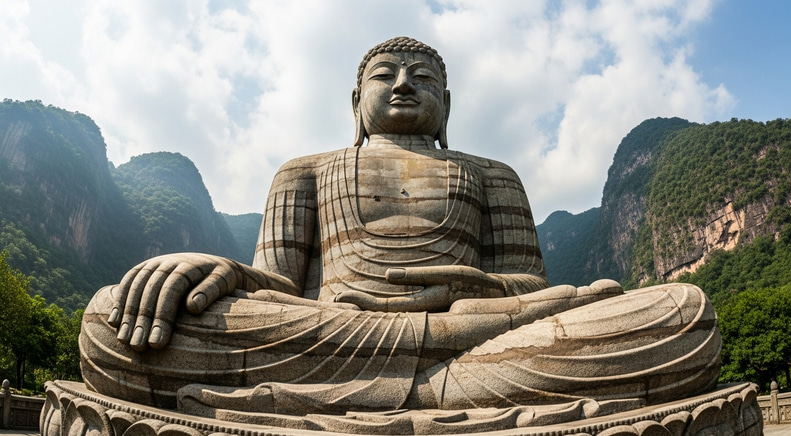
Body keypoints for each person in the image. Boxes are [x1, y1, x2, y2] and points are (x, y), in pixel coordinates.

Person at [80, 37, 720, 415]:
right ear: (356, 104)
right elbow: (275, 285)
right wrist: (217, 270)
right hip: (334, 334)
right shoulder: (305, 171)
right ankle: (447, 395)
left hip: (469, 331)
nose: (405, 83)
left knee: (684, 313)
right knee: (112, 323)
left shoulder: (492, 173)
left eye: (424, 78)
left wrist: (473, 289)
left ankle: (365, 398)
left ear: (447, 106)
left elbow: (530, 288)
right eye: (384, 75)